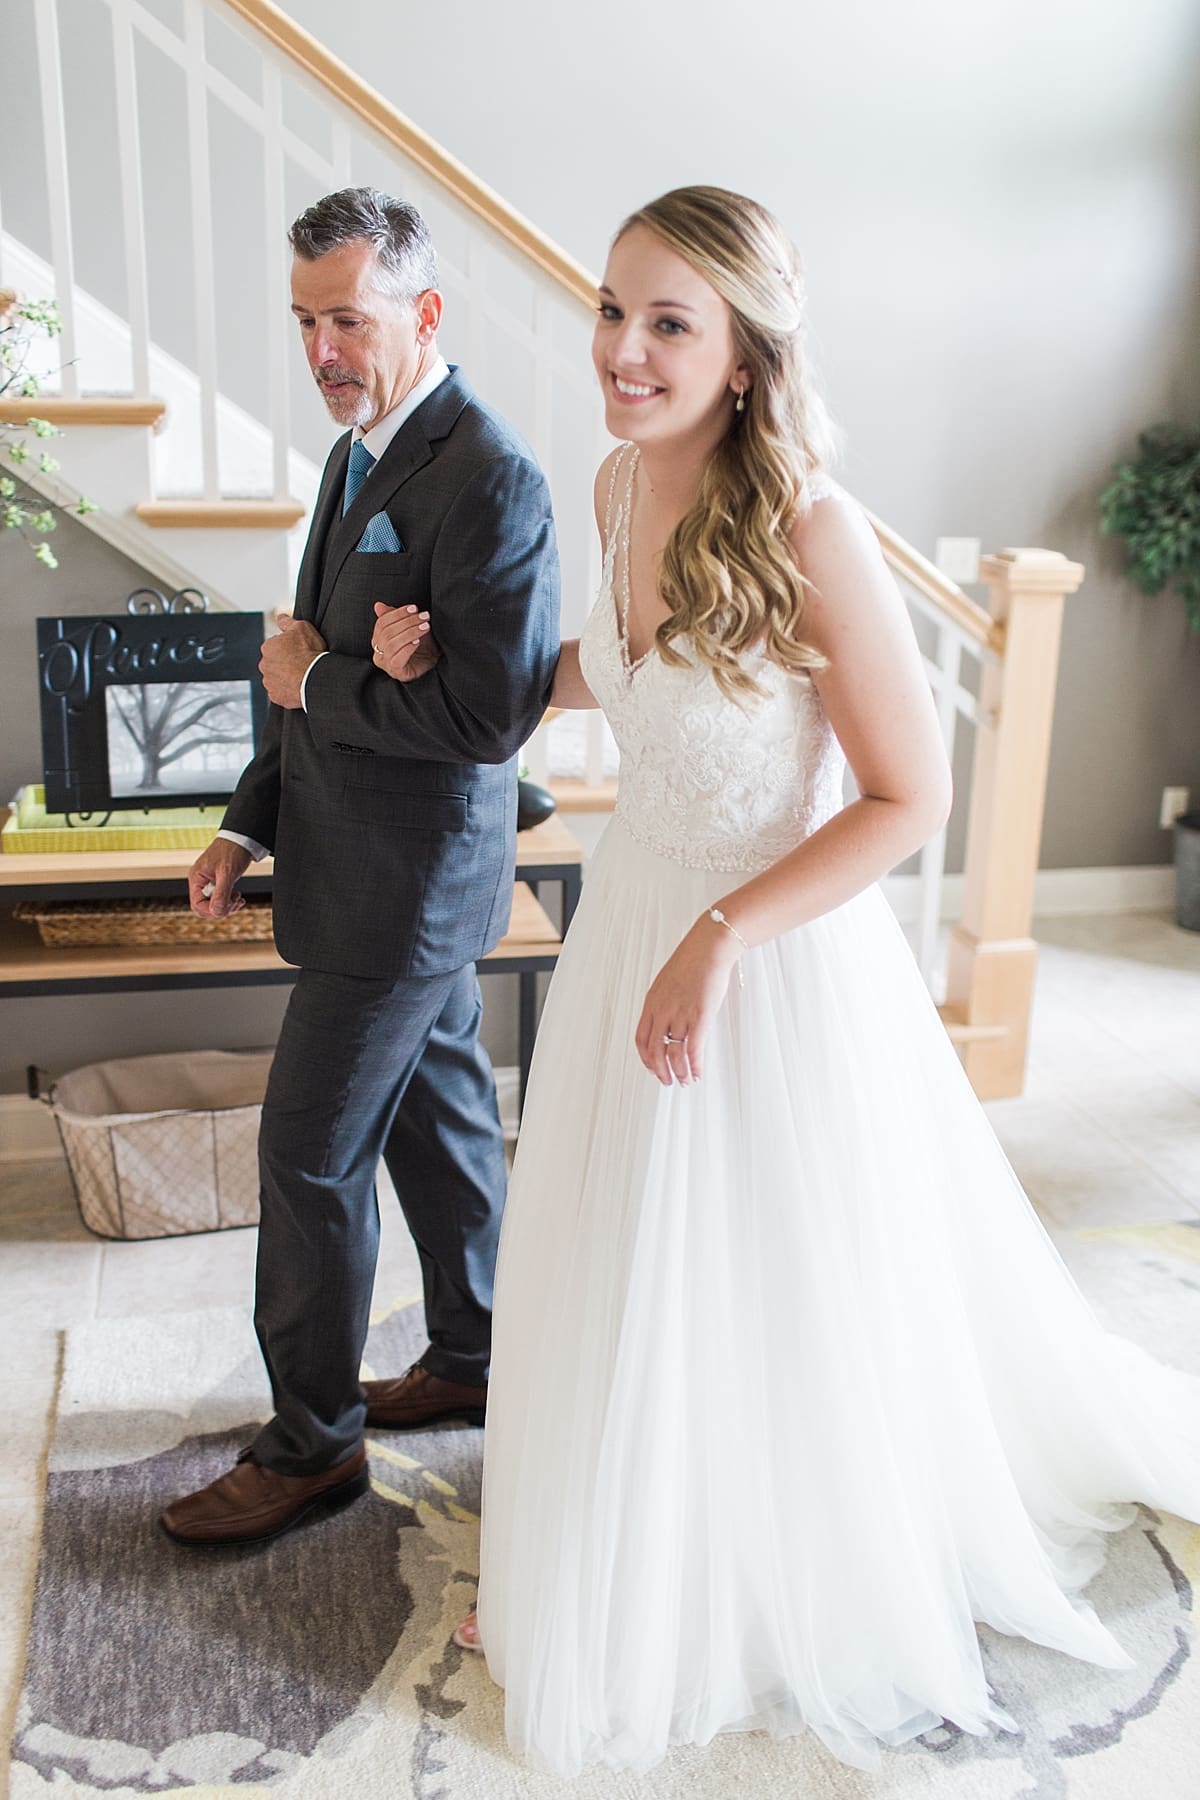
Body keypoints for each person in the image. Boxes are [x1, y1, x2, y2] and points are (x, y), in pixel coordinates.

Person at [376, 185, 1200, 1776]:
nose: (622, 348)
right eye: (614, 308)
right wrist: (460, 667)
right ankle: (618, 1533)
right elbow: (610, 667)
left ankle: (755, 1569)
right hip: (641, 919)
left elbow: (913, 798)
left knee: (764, 1271)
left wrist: (727, 936)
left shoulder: (814, 526)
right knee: (622, 1248)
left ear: (747, 356)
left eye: (669, 322)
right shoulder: (611, 486)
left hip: (769, 951)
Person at [160, 187, 560, 1547]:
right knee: (443, 1116)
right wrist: (244, 821)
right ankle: (474, 1354)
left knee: (308, 1155)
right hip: (355, 859)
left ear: (422, 312)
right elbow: (302, 661)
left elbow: (488, 720)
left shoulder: (491, 474)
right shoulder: (353, 454)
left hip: (412, 886)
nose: (324, 347)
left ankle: (313, 1443)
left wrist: (325, 676)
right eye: (306, 321)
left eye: (349, 317)